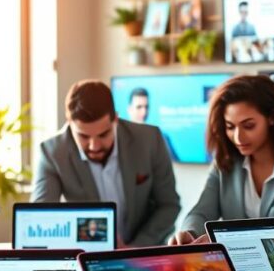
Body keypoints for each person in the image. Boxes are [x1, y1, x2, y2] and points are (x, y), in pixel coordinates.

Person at [170, 75, 274, 245]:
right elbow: (201, 212)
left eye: (248, 126)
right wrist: (190, 234)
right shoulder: (225, 160)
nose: (238, 137)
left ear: (272, 117)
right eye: (230, 127)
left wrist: (226, 240)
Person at [33, 80, 181, 246]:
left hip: (143, 252)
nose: (94, 146)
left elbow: (168, 205)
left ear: (115, 120)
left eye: (103, 135)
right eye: (83, 136)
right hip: (83, 255)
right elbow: (39, 218)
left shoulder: (150, 139)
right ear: (69, 123)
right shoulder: (51, 152)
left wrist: (135, 249)